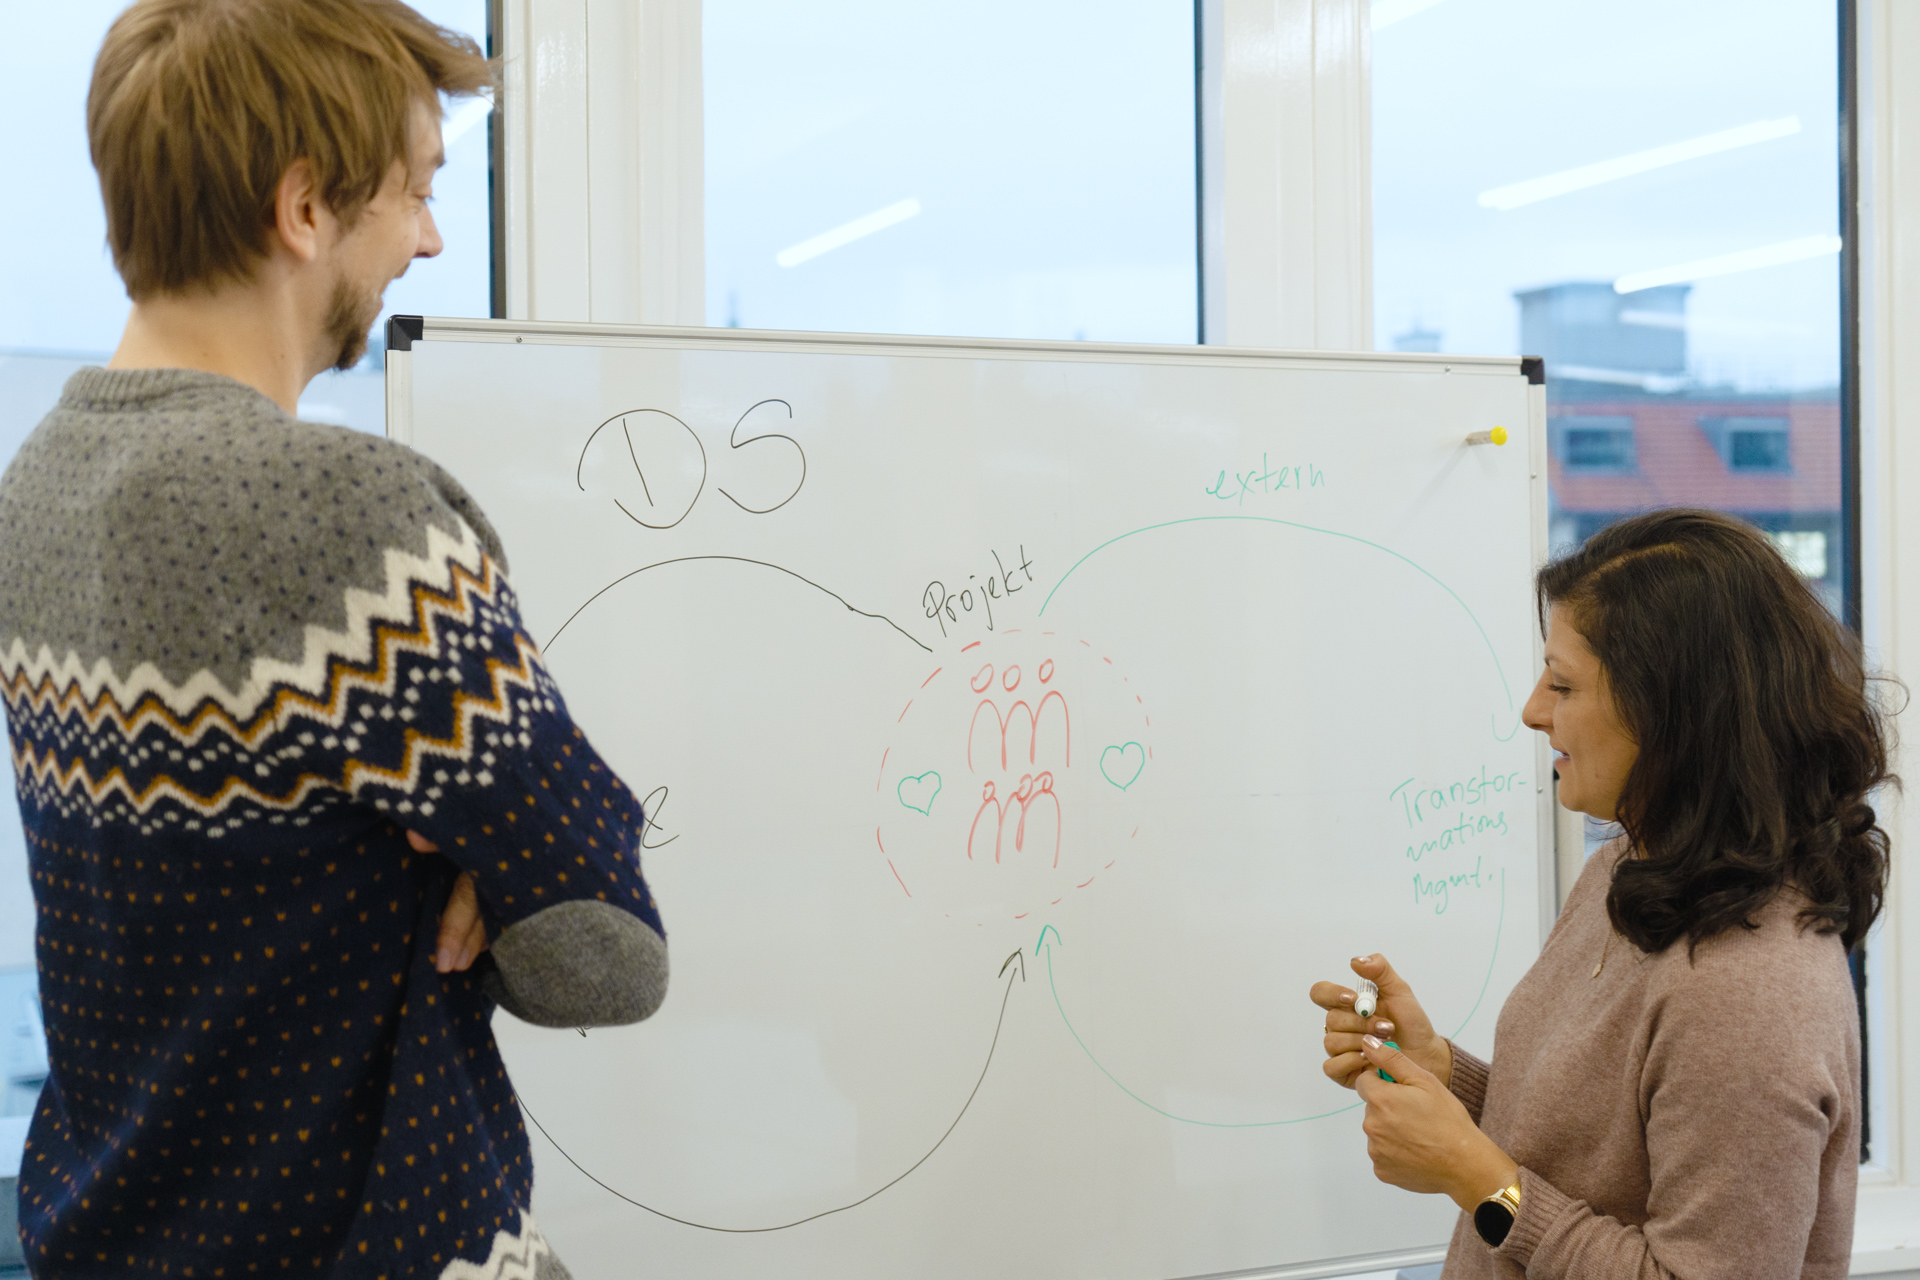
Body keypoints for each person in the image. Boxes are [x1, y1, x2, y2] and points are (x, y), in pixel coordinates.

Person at [0, 1, 668, 1274]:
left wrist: (450, 850)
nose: (427, 237)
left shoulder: (28, 491)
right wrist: (484, 858)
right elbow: (607, 954)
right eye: (414, 192)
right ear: (305, 207)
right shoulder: (357, 527)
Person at [1312, 508, 1887, 1279]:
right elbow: (1594, 1155)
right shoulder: (1625, 873)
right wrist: (1450, 1075)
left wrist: (1471, 1176)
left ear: (1673, 713)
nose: (1532, 711)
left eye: (1563, 684)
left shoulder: (1749, 993)